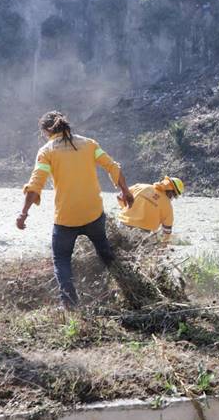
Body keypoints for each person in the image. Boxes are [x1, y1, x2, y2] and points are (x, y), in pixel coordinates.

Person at [16, 111, 135, 308]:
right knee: (105, 252)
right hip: (93, 213)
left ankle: (69, 302)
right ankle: (128, 287)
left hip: (66, 217)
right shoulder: (89, 144)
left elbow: (35, 184)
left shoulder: (47, 151)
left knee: (61, 258)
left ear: (47, 131)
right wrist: (126, 191)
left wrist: (23, 213)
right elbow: (112, 166)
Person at [118, 176, 184, 242]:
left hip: (123, 224)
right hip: (142, 233)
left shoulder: (140, 186)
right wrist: (164, 244)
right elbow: (167, 231)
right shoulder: (168, 206)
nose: (172, 198)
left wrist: (125, 209)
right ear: (171, 192)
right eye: (174, 196)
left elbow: (120, 197)